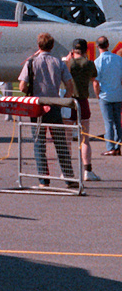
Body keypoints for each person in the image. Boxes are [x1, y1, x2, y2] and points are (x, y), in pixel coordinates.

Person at [18, 33, 75, 186]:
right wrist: (63, 100)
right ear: (52, 46)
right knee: (60, 143)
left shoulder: (31, 63)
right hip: (54, 104)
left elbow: (22, 86)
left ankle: (44, 180)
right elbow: (70, 85)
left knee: (39, 144)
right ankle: (69, 178)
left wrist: (29, 92)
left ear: (39, 46)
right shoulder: (58, 62)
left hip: (37, 105)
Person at [64, 39, 99, 181]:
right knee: (85, 139)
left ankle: (67, 171)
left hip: (69, 101)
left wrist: (68, 61)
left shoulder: (68, 63)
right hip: (83, 101)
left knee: (66, 140)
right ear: (85, 51)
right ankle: (87, 170)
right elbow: (93, 78)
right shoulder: (89, 64)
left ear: (73, 51)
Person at [95, 36, 122, 158]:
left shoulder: (97, 62)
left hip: (105, 95)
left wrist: (97, 95)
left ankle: (110, 147)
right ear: (108, 45)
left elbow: (96, 82)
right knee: (117, 122)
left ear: (97, 46)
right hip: (117, 94)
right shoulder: (118, 59)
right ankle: (117, 146)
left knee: (108, 123)